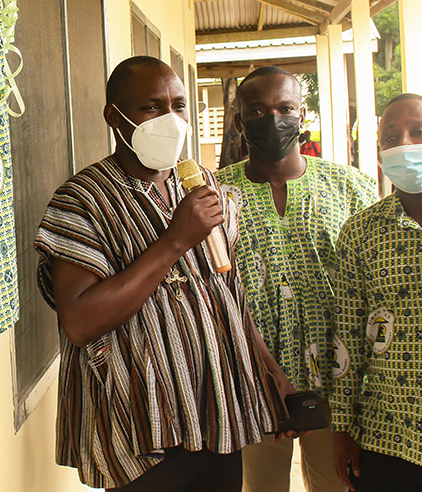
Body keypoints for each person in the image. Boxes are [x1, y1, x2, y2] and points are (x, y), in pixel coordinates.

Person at [35, 56, 288, 491]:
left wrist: (268, 370)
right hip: (141, 424)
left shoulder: (200, 184)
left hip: (216, 412)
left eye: (178, 105)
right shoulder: (81, 200)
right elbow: (78, 322)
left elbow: (228, 291)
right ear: (115, 118)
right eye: (152, 107)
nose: (170, 119)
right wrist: (173, 241)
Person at [214, 66, 378, 492]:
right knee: (260, 487)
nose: (273, 119)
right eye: (258, 110)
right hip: (253, 383)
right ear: (239, 122)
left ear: (301, 115)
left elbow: (370, 289)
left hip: (338, 387)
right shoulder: (214, 197)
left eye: (285, 108)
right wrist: (264, 376)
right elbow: (214, 296)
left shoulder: (352, 188)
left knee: (335, 485)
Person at [331, 94, 422, 492]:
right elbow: (348, 337)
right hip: (385, 437)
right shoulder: (361, 231)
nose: (404, 144)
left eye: (419, 133)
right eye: (391, 138)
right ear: (379, 155)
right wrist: (343, 429)